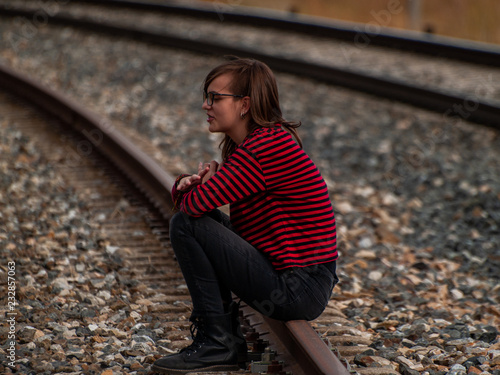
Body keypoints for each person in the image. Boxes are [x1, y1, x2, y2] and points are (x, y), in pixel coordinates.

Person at [151, 57, 339, 374]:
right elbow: (200, 205)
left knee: (186, 225)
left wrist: (187, 188)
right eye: (206, 97)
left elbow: (191, 207)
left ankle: (218, 343)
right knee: (198, 222)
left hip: (299, 286)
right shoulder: (259, 143)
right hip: (302, 278)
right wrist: (193, 187)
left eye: (215, 97)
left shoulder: (264, 148)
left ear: (244, 105)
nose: (205, 105)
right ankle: (221, 340)